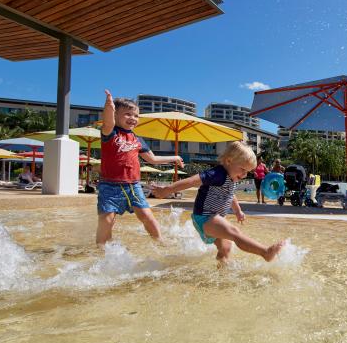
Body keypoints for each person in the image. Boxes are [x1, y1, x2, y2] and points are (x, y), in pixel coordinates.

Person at [153, 141, 286, 265]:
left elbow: (230, 194)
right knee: (234, 232)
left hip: (214, 219)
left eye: (247, 171)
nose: (245, 175)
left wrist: (238, 210)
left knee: (226, 249)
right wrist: (166, 190)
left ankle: (222, 271)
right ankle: (265, 252)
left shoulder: (231, 177)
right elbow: (192, 181)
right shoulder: (217, 174)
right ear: (229, 161)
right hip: (204, 218)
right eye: (242, 169)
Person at [96, 90, 184, 245]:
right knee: (107, 220)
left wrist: (175, 157)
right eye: (128, 114)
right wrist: (109, 105)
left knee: (146, 215)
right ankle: (101, 248)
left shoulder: (137, 139)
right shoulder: (111, 133)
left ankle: (160, 241)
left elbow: (153, 159)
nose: (133, 118)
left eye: (136, 116)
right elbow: (108, 122)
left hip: (133, 185)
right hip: (109, 186)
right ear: (116, 115)